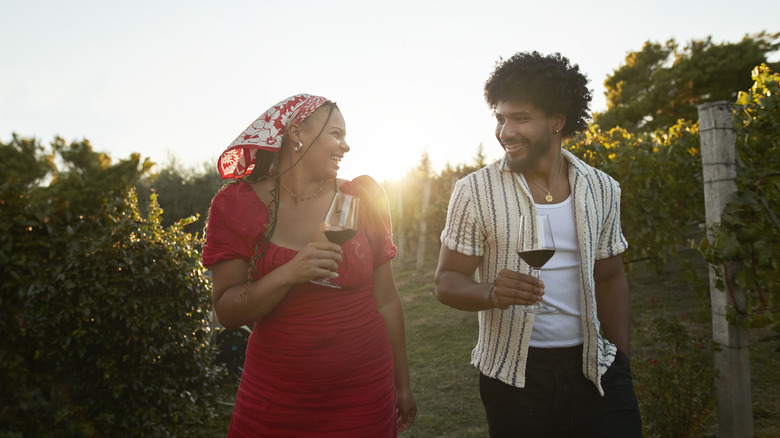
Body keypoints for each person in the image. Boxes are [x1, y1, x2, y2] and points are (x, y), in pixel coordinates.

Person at [434, 52, 642, 437]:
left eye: (521, 118)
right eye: (500, 118)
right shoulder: (474, 191)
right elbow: (447, 281)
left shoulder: (602, 188)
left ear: (558, 121)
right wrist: (491, 293)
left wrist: (620, 360)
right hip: (515, 378)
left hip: (596, 369)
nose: (505, 132)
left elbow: (611, 278)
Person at [202, 93, 416, 437]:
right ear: (298, 133)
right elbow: (227, 312)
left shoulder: (361, 198)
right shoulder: (236, 205)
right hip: (277, 397)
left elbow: (387, 299)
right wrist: (289, 273)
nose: (346, 147)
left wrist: (402, 385)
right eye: (336, 134)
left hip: (365, 390)